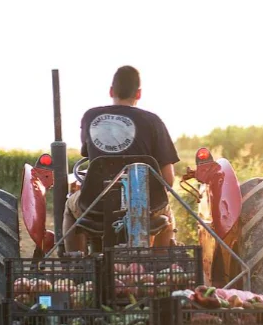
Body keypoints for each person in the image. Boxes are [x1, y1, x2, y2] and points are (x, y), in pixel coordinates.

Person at [63, 65, 180, 250]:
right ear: (139, 94)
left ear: (111, 91)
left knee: (70, 207)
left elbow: (88, 154)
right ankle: (158, 263)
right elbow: (168, 180)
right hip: (147, 207)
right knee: (167, 217)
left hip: (96, 206)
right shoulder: (153, 121)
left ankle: (76, 262)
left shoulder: (91, 116)